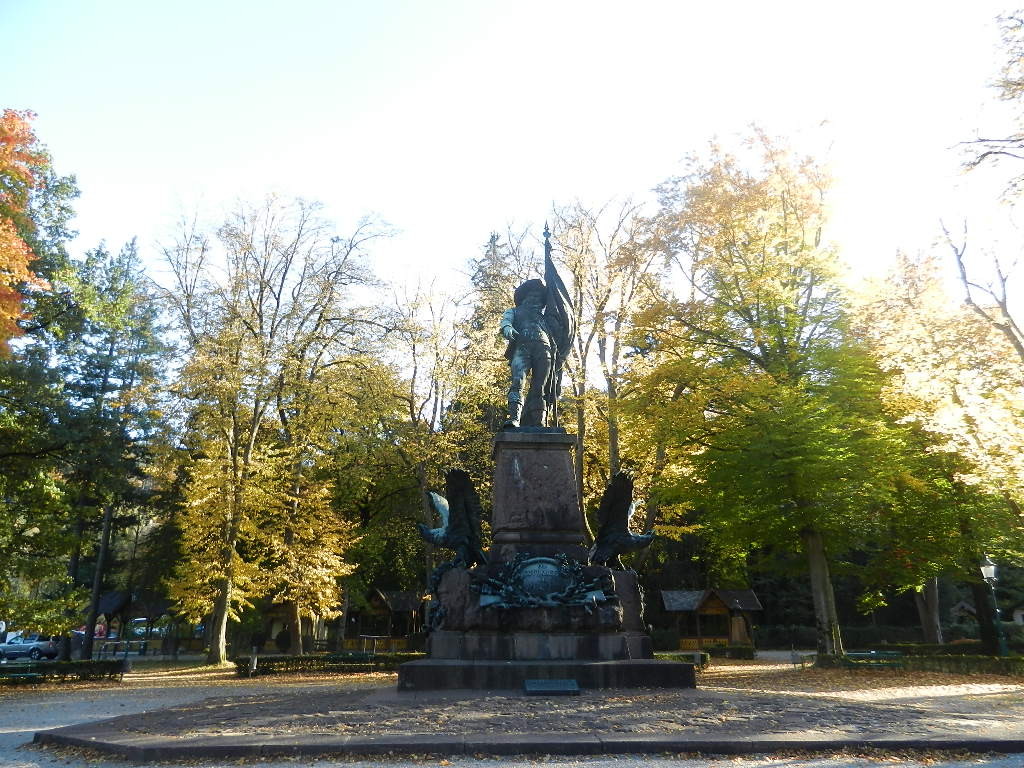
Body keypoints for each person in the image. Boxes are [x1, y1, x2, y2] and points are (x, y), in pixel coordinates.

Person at [500, 278, 558, 427]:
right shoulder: (514, 311)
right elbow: (506, 321)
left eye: (538, 296)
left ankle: (539, 421)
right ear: (525, 297)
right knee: (517, 382)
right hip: (522, 348)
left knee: (541, 387)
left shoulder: (545, 318)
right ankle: (514, 418)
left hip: (544, 350)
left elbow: (556, 332)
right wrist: (507, 328)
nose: (535, 299)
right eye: (532, 295)